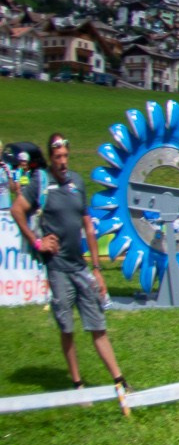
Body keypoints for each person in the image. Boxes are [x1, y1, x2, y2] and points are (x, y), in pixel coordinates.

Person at [11, 134, 126, 396]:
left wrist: (97, 269)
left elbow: (87, 224)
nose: (63, 162)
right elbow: (17, 210)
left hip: (79, 267)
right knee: (67, 327)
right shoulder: (40, 183)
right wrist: (38, 242)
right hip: (57, 268)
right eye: (58, 158)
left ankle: (119, 379)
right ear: (50, 159)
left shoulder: (76, 182)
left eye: (65, 156)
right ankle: (77, 385)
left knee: (98, 324)